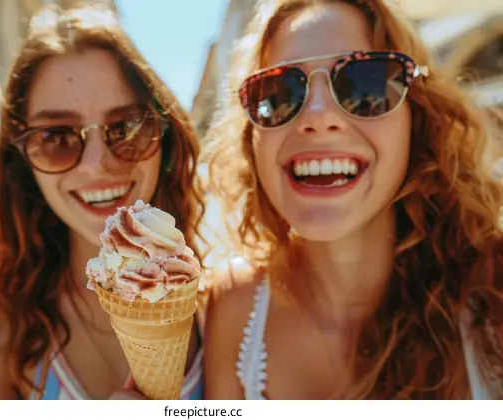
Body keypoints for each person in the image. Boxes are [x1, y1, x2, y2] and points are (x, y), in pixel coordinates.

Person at [203, 0, 503, 399]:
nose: (318, 116)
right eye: (278, 93)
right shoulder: (232, 308)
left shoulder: (492, 289)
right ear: (251, 139)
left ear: (418, 116)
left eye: (366, 83)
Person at [0, 4, 205, 400]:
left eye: (127, 127)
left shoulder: (223, 304)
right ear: (21, 162)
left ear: (164, 138)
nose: (97, 164)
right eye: (57, 138)